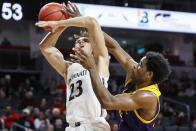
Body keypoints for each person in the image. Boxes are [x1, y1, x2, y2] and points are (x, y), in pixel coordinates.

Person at [65, 2, 171, 130]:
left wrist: (92, 67)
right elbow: (114, 47)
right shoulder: (136, 74)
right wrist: (85, 23)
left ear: (149, 75)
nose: (135, 66)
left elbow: (108, 102)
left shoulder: (148, 97)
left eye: (140, 65)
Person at [35, 3, 110, 131]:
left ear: (93, 48)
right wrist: (62, 24)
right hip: (72, 127)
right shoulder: (68, 68)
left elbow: (92, 22)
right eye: (77, 41)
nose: (81, 41)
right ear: (74, 49)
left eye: (85, 40)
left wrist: (61, 22)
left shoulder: (100, 62)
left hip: (94, 125)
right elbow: (45, 47)